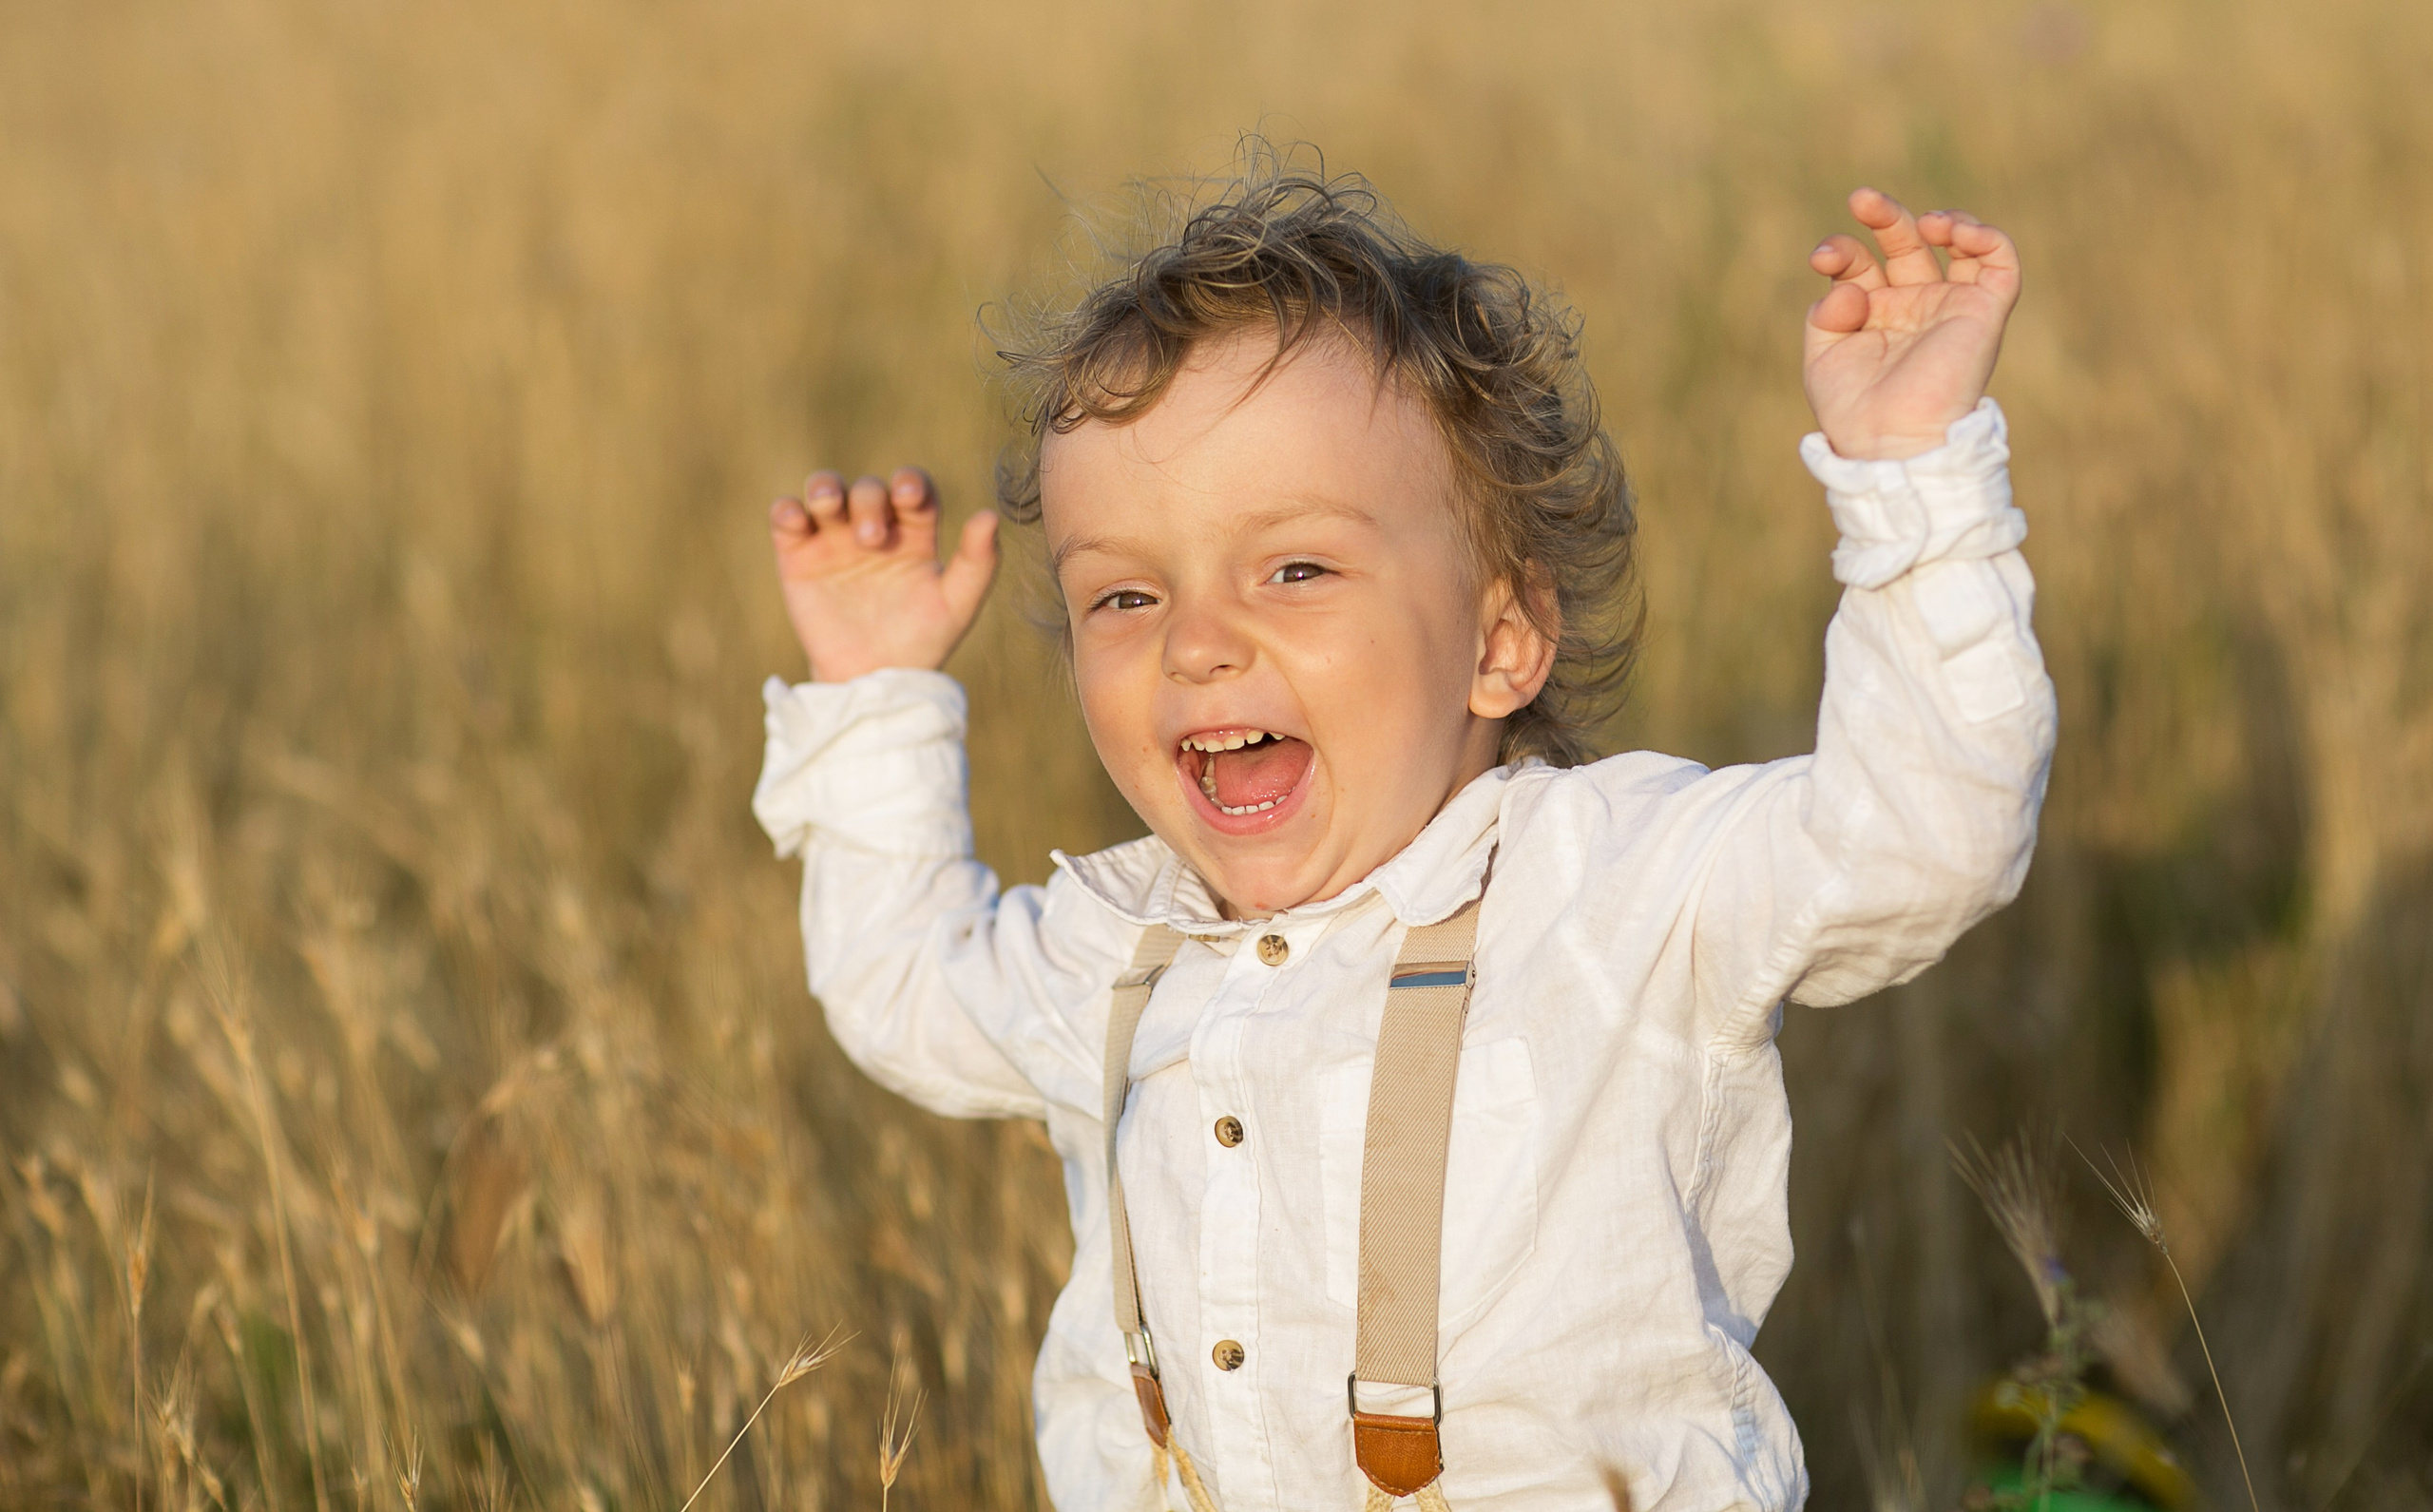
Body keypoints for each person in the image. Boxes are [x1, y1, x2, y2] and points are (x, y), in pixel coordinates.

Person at [752, 151, 2051, 1512]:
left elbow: (1926, 837)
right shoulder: (1120, 951)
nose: (1197, 643)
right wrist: (876, 693)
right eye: (1123, 597)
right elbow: (902, 988)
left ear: (1501, 642)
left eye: (1296, 569)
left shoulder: (1614, 887)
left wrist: (1910, 481)